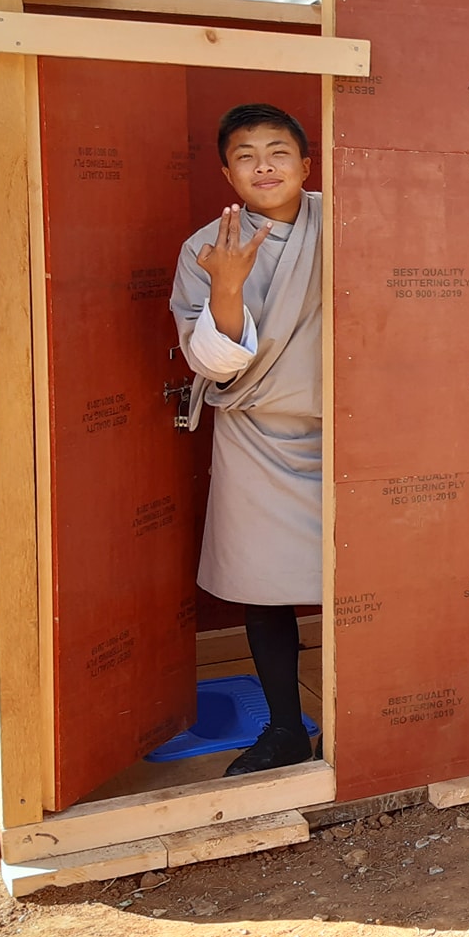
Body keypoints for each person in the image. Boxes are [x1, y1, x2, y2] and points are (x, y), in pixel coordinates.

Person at [169, 104, 322, 775]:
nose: (264, 165)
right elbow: (211, 362)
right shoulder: (204, 249)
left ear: (306, 165)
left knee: (374, 575)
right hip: (257, 433)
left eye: (278, 151)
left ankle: (379, 715)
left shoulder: (348, 217)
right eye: (246, 155)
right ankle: (287, 728)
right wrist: (227, 287)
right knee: (264, 586)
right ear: (227, 172)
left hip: (355, 429)